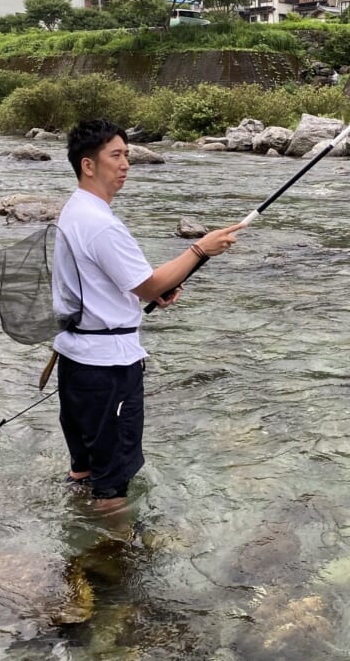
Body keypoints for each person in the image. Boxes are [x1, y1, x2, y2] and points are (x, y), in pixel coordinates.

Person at [52, 118, 245, 511]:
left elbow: (109, 282)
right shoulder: (100, 224)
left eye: (127, 155)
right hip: (108, 370)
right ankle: (112, 565)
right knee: (113, 483)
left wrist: (150, 292)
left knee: (85, 468)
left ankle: (79, 542)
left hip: (76, 361)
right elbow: (148, 285)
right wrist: (200, 249)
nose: (126, 164)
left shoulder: (74, 211)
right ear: (88, 165)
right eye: (116, 156)